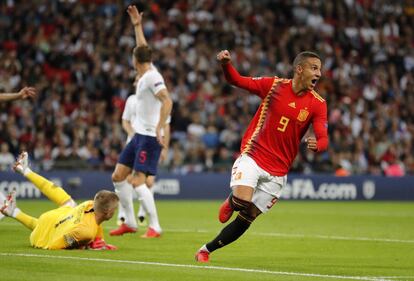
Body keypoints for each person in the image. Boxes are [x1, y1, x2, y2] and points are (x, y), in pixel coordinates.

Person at [195, 50, 328, 262]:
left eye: (320, 69)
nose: (319, 73)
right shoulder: (274, 86)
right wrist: (226, 65)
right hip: (254, 156)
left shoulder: (318, 103)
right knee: (242, 200)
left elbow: (323, 137)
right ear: (299, 69)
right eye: (314, 68)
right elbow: (236, 80)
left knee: (249, 216)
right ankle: (232, 202)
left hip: (279, 171)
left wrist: (318, 145)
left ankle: (206, 250)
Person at [109, 5, 172, 238]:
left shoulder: (153, 77)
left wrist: (159, 127)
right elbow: (142, 48)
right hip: (138, 136)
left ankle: (155, 226)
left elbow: (168, 101)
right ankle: (130, 222)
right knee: (118, 176)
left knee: (137, 182)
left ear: (135, 61)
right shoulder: (147, 71)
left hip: (148, 136)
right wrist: (137, 26)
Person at [0, 152, 118, 250]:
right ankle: (14, 209)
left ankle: (13, 209)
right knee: (64, 220)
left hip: (49, 220)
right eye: (114, 208)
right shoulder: (86, 232)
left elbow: (96, 221)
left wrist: (99, 241)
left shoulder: (89, 205)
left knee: (69, 203)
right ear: (107, 211)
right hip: (39, 239)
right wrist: (82, 246)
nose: (115, 211)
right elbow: (55, 244)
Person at [116, 91, 171, 227]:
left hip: (150, 141)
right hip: (134, 142)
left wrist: (165, 148)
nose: (137, 82)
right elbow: (125, 120)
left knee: (148, 181)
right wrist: (132, 134)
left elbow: (166, 125)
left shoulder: (158, 101)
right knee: (124, 178)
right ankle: (123, 214)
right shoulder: (132, 100)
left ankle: (143, 214)